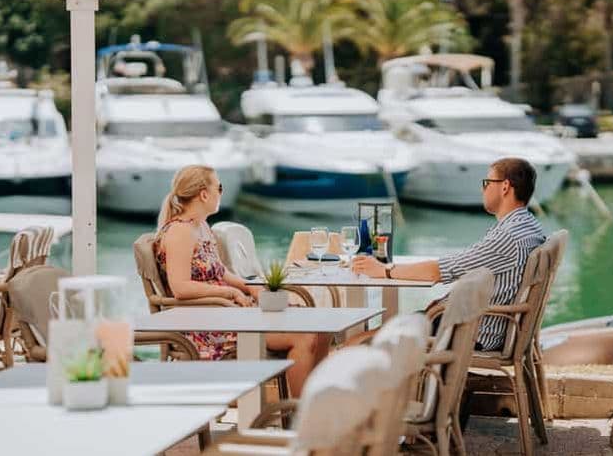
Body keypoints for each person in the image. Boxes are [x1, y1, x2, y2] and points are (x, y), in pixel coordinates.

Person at [154, 165, 330, 396]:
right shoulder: (180, 232)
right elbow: (180, 287)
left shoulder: (201, 227)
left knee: (321, 326)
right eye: (219, 187)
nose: (221, 192)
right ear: (204, 194)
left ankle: (310, 404)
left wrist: (249, 288)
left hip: (229, 314)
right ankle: (301, 416)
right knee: (304, 336)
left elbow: (220, 273)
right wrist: (229, 294)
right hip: (209, 324)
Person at [352, 157, 546, 352]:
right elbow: (462, 265)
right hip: (479, 323)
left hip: (473, 331)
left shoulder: (508, 236)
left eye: (486, 183)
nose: (483, 189)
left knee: (358, 341)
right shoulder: (528, 226)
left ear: (505, 187)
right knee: (380, 331)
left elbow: (438, 272)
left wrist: (384, 270)